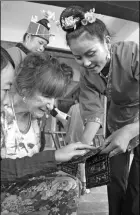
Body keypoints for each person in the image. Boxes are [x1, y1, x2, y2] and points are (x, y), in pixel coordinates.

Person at [60, 6, 139, 215]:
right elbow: (93, 112)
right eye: (78, 57)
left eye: (91, 53)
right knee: (113, 177)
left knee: (138, 183)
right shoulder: (87, 75)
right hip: (116, 119)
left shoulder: (132, 54)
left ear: (107, 41)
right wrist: (82, 147)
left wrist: (131, 130)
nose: (85, 63)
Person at [1, 47, 94, 215]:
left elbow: (32, 163)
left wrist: (64, 159)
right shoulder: (3, 112)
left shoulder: (37, 119)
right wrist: (54, 157)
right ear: (24, 89)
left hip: (20, 184)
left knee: (72, 180)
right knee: (68, 186)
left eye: (54, 97)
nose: (51, 105)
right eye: (46, 96)